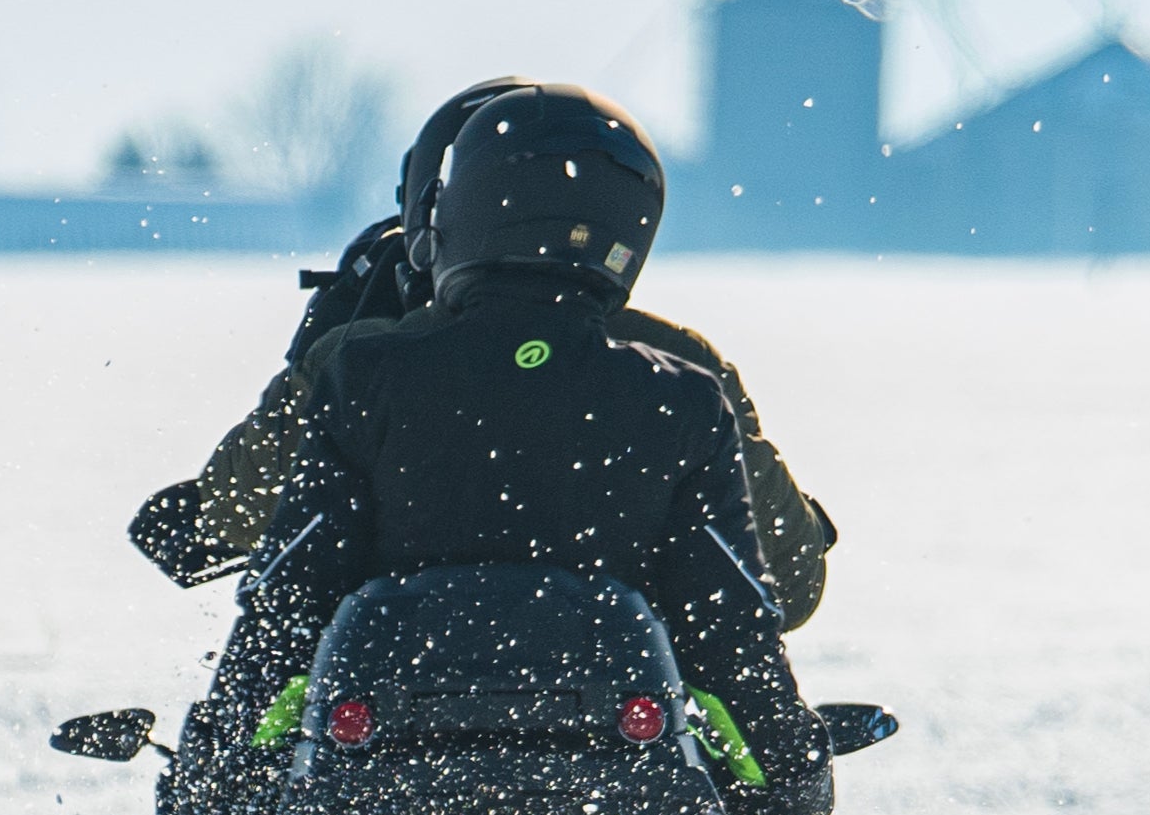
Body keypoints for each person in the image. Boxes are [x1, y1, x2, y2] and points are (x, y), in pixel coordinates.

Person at [156, 84, 838, 815]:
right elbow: (762, 606)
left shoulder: (364, 364)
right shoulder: (678, 383)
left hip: (382, 767)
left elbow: (275, 589)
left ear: (449, 214)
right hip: (624, 768)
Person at [126, 81, 840, 627]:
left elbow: (232, 517)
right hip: (617, 720)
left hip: (386, 709)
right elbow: (788, 583)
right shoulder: (677, 367)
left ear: (443, 211)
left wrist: (326, 348)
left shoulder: (365, 358)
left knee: (235, 752)